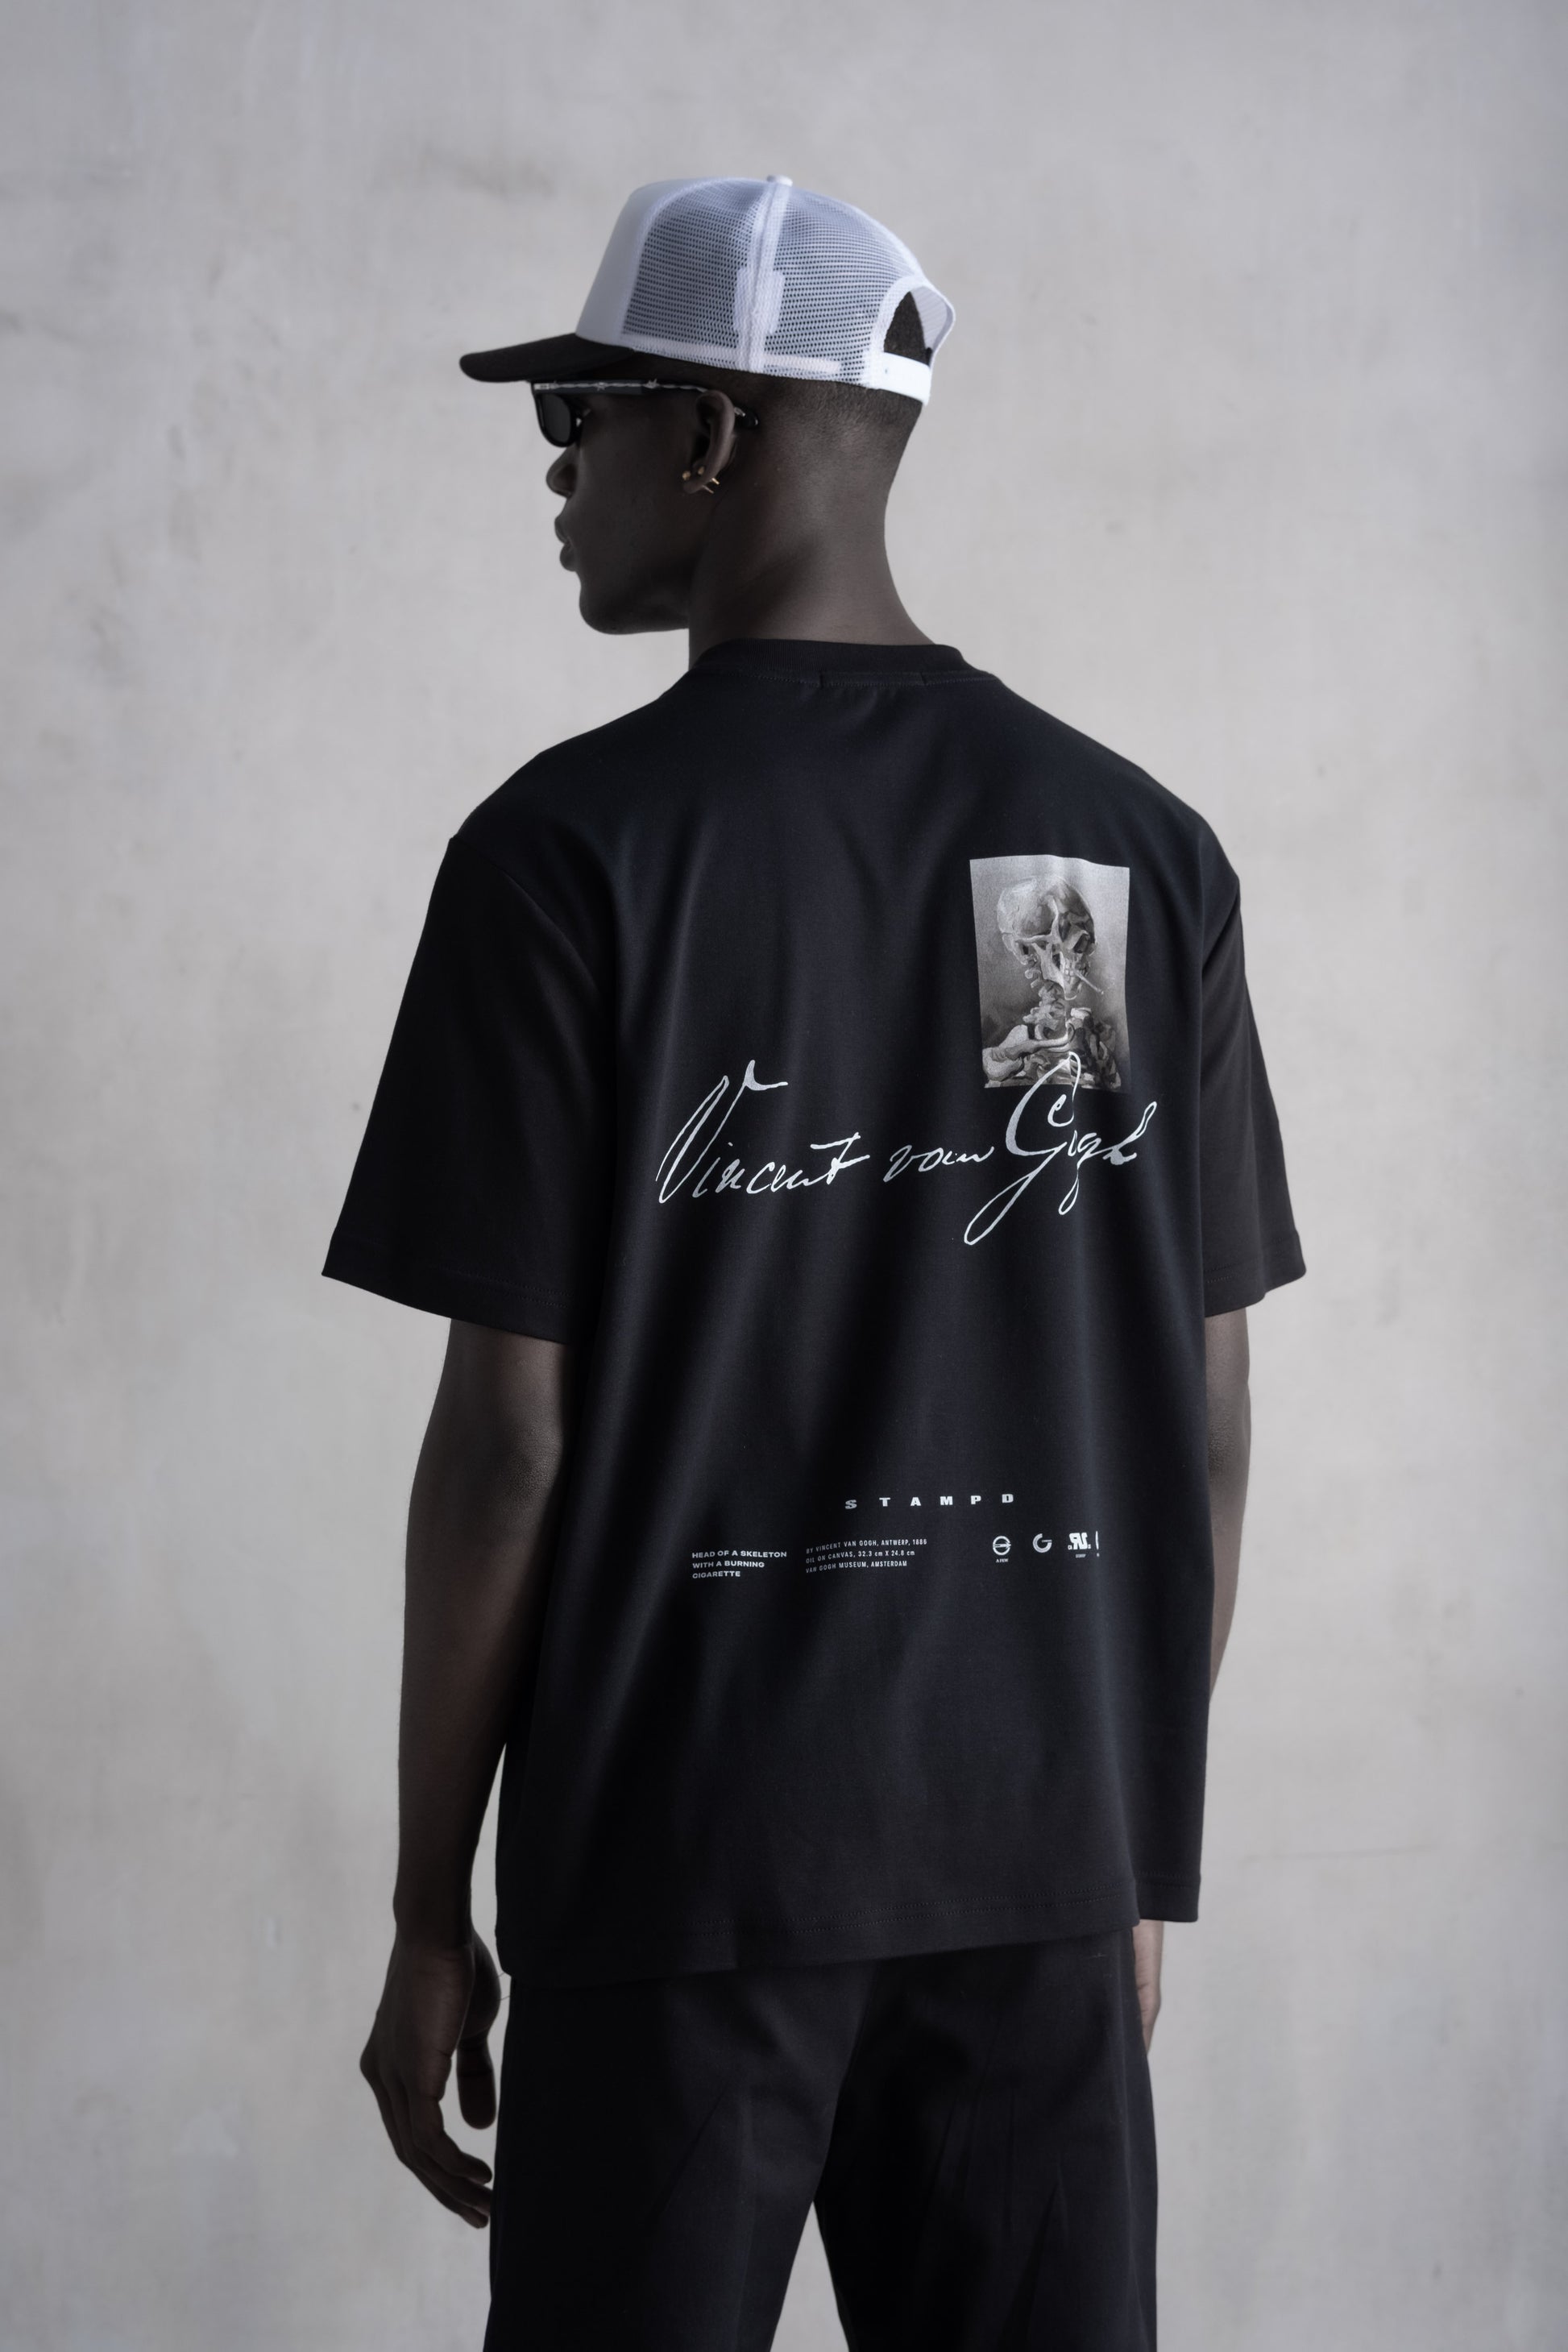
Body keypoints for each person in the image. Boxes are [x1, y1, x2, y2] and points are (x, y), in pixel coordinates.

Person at [327, 174, 1304, 2351]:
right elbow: (1200, 1409)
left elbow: (510, 1442)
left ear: (708, 432)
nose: (553, 470)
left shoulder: (574, 858)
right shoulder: (1095, 862)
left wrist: (425, 1905)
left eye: (579, 411)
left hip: (678, 1869)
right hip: (1033, 1855)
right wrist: (1127, 1842)